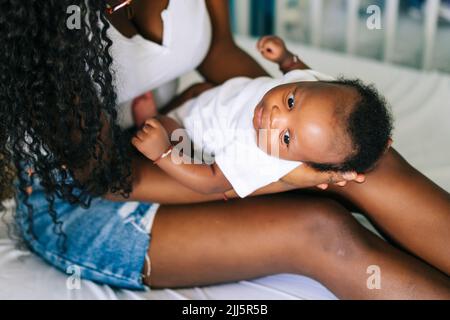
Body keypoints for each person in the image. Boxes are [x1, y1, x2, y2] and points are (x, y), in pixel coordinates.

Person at [1, 0, 449, 299]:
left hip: (174, 132)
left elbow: (217, 51)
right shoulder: (53, 23)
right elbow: (112, 180)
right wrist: (271, 176)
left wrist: (287, 119)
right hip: (86, 199)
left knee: (359, 154)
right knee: (320, 228)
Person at [131, 35, 392, 198]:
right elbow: (298, 71)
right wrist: (286, 58)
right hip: (215, 100)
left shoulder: (261, 157)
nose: (275, 117)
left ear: (301, 162)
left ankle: (150, 121)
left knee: (166, 127)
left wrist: (162, 152)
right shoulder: (314, 86)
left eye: (286, 138)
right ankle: (167, 112)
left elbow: (210, 182)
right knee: (199, 90)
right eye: (290, 102)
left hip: (188, 135)